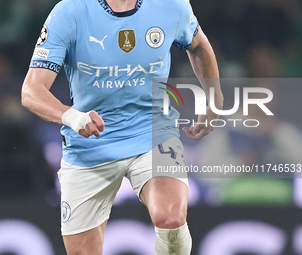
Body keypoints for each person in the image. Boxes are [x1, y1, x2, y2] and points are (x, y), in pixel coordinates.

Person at [21, 0, 223, 254]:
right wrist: (74, 118)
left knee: (170, 219)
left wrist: (214, 99)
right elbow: (31, 91)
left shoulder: (171, 5)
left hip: (152, 130)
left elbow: (199, 45)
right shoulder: (70, 12)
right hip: (90, 142)